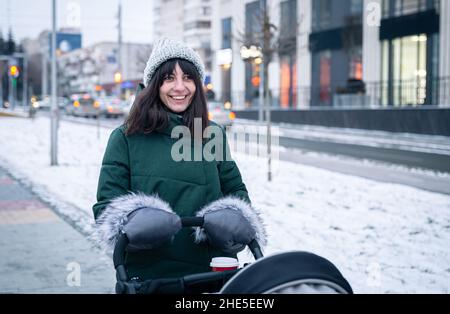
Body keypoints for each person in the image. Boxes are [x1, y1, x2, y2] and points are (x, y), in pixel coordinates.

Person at [92, 38, 266, 281]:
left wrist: (235, 219)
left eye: (188, 78)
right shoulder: (126, 138)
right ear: (154, 85)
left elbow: (235, 190)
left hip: (212, 270)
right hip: (150, 274)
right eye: (169, 78)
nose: (180, 87)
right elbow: (107, 207)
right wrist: (136, 221)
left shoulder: (211, 134)